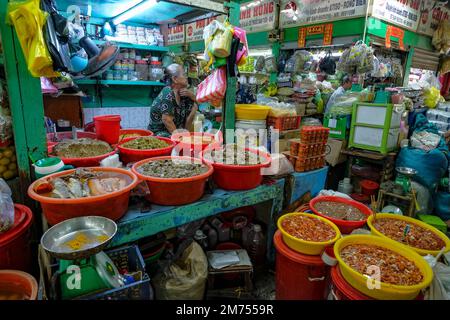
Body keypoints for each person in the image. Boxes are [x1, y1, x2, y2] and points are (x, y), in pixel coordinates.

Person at [148, 64, 198, 137]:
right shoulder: (168, 92)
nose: (187, 77)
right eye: (184, 74)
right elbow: (167, 120)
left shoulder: (186, 95)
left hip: (175, 133)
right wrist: (180, 139)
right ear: (175, 79)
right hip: (159, 133)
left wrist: (194, 101)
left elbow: (187, 124)